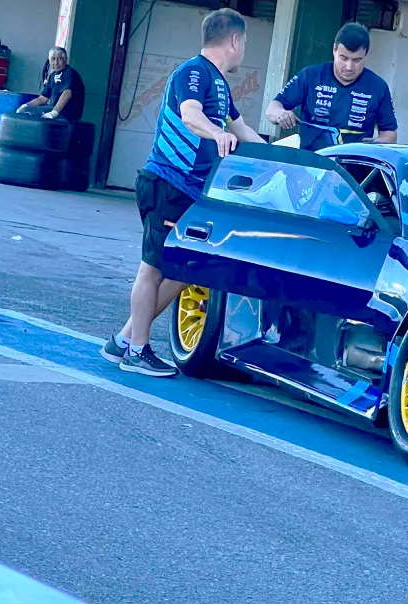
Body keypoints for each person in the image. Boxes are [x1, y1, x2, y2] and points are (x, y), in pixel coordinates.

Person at [99, 8, 265, 377]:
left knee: (186, 268)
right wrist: (216, 133)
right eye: (245, 43)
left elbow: (243, 131)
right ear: (235, 40)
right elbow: (190, 114)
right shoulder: (194, 72)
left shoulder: (221, 85)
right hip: (167, 184)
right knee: (153, 268)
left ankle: (123, 340)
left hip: (191, 193)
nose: (244, 50)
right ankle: (138, 351)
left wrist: (283, 157)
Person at [265, 23, 397, 152]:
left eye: (357, 60)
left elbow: (390, 134)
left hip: (355, 169)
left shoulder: (378, 87)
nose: (349, 67)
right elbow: (272, 109)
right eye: (343, 58)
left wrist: (377, 144)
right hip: (312, 163)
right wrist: (280, 114)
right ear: (334, 50)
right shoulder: (310, 76)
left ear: (366, 56)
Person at [16, 47, 84, 120]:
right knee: (24, 111)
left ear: (65, 60)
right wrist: (26, 105)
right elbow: (43, 98)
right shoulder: (52, 76)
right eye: (53, 59)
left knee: (28, 113)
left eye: (60, 59)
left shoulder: (70, 73)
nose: (56, 63)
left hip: (67, 114)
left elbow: (67, 94)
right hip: (56, 109)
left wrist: (54, 112)